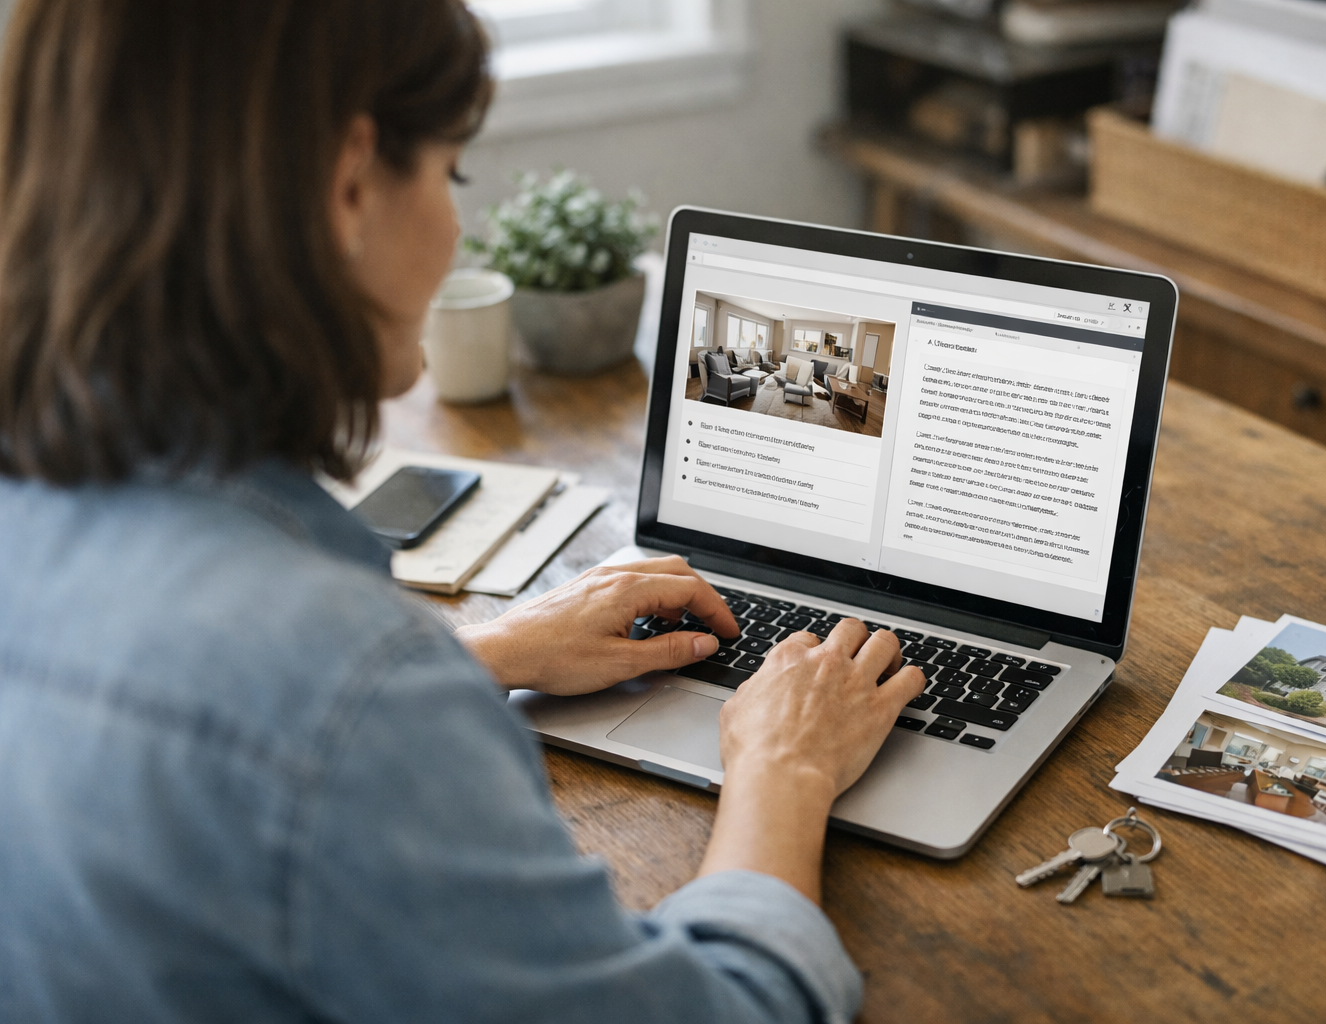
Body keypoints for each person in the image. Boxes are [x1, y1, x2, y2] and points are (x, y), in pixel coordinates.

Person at [0, 1, 926, 1021]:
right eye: (451, 173)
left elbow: (207, 731)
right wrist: (786, 770)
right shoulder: (346, 696)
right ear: (352, 183)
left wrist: (484, 652)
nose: (454, 226)